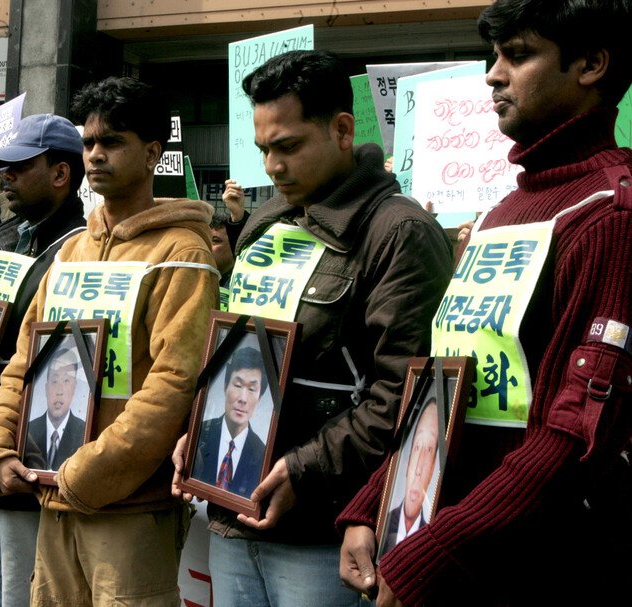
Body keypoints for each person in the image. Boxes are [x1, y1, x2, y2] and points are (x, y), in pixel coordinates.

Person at [338, 2, 632, 605]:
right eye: (493, 57)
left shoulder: (612, 214)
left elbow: (576, 433)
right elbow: (451, 385)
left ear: (592, 65)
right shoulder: (503, 214)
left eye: (518, 56)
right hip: (457, 557)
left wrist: (438, 548)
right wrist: (376, 502)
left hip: (544, 568)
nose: (493, 75)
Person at [170, 50, 453, 607]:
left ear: (343, 129)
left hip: (325, 535)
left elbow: (406, 396)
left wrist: (304, 470)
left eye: (289, 146)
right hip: (232, 516)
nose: (272, 166)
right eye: (264, 150)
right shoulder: (262, 221)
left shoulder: (400, 232)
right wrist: (202, 430)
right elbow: (236, 353)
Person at [0, 77, 219, 606]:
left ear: (153, 153)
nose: (94, 154)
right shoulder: (69, 253)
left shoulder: (182, 253)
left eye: (112, 142)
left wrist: (89, 473)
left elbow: (174, 383)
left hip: (129, 508)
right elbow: (23, 362)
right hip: (51, 496)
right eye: (88, 143)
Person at [0, 112, 88, 607]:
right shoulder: (15, 242)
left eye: (18, 168)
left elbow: (61, 364)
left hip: (27, 452)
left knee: (20, 589)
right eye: (2, 169)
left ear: (61, 173)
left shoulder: (78, 253)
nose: (3, 179)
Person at [192, 346, 267, 498]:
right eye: (238, 385)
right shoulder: (198, 434)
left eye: (252, 389)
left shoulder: (262, 455)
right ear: (225, 386)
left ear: (259, 398)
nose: (242, 398)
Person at [382, 399, 438, 553]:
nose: (419, 469)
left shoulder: (433, 536)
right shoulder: (381, 525)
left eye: (429, 450)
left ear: (433, 468)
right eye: (417, 447)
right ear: (406, 463)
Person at [25, 348, 86, 471]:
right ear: (46, 388)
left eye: (66, 381)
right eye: (55, 381)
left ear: (74, 388)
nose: (59, 391)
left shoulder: (84, 433)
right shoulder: (28, 430)